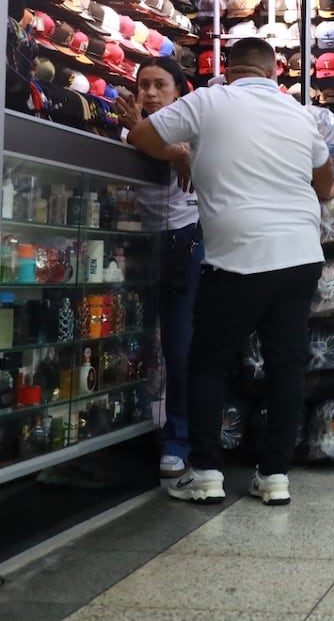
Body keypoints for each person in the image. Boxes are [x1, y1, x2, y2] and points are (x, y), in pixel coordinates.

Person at [127, 37, 334, 505]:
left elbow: (141, 137)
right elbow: (325, 183)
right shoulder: (299, 114)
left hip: (237, 257)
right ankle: (275, 476)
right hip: (300, 256)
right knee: (287, 366)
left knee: (208, 363)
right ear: (274, 71)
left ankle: (206, 473)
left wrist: (182, 153)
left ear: (227, 68)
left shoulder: (208, 101)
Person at [114, 59, 203, 481]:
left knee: (178, 345)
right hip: (140, 244)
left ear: (179, 91)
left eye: (159, 85)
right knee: (133, 339)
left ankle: (179, 439)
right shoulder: (129, 132)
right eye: (143, 85)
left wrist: (170, 148)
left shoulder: (190, 128)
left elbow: (182, 152)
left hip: (183, 241)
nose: (149, 92)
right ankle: (133, 427)